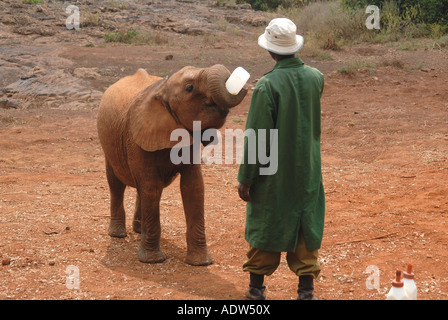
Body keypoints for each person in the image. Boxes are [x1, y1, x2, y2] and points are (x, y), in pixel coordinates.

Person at [237, 18, 325, 300]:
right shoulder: (316, 77)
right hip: (308, 169)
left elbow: (257, 139)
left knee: (267, 221)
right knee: (304, 223)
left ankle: (255, 289)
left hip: (273, 175)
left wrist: (246, 179)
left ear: (270, 50)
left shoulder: (266, 86)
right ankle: (306, 291)